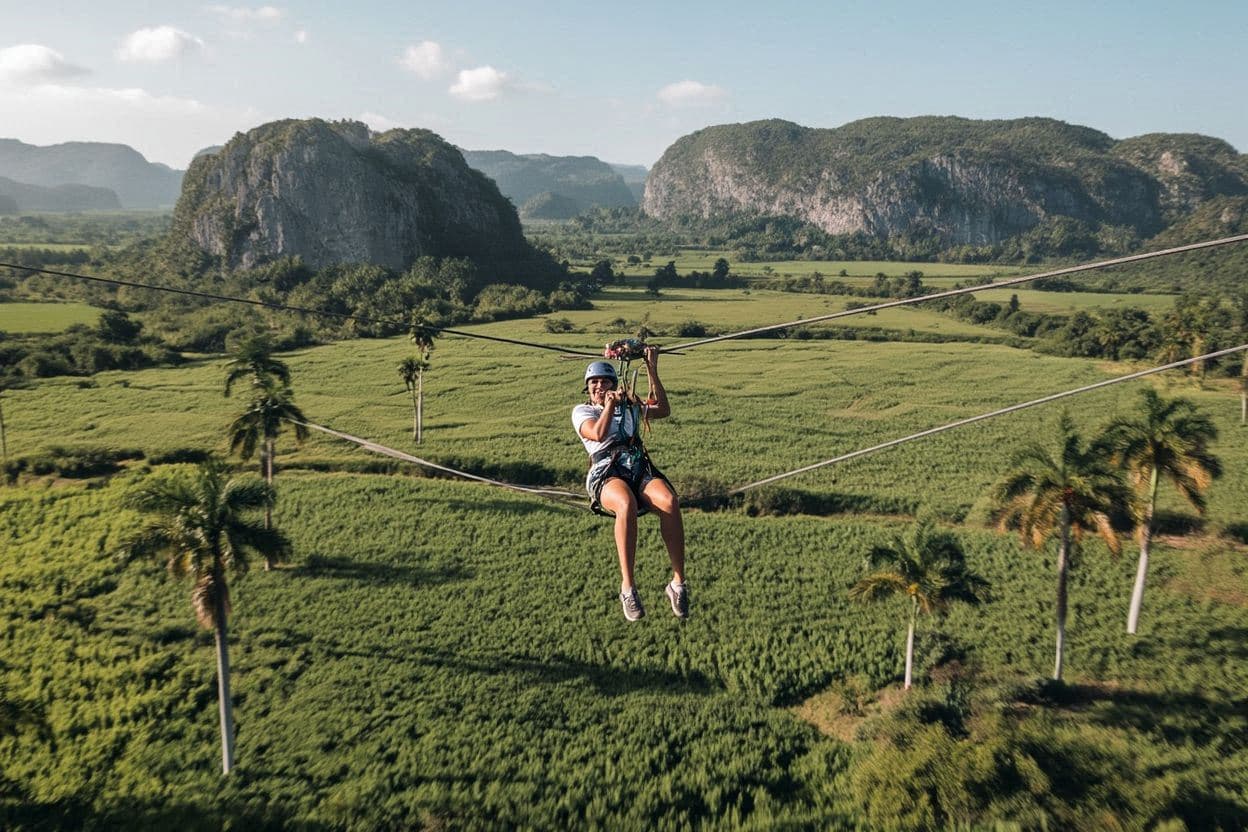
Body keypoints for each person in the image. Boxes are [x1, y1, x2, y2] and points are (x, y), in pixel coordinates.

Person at [572, 346, 687, 621]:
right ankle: (628, 588)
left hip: (637, 466)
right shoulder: (582, 411)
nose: (600, 386)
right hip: (606, 472)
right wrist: (610, 404)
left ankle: (678, 583)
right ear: (588, 389)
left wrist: (651, 368)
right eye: (594, 383)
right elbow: (598, 434)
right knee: (625, 503)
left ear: (614, 384)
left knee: (670, 501)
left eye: (605, 382)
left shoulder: (630, 408)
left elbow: (663, 409)